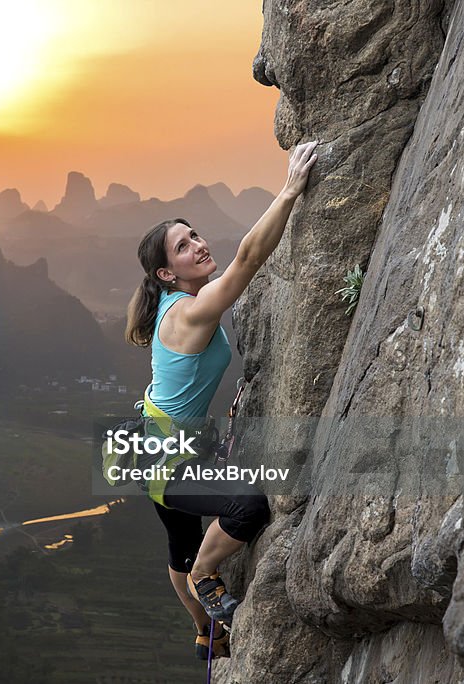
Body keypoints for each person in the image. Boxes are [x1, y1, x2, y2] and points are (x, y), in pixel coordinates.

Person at [123, 140, 319, 658]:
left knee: (178, 547)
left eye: (194, 236)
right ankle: (208, 581)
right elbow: (249, 259)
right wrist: (291, 190)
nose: (199, 246)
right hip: (167, 463)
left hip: (151, 446)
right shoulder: (189, 310)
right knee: (247, 505)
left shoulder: (173, 301)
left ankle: (204, 631)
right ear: (167, 273)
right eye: (184, 248)